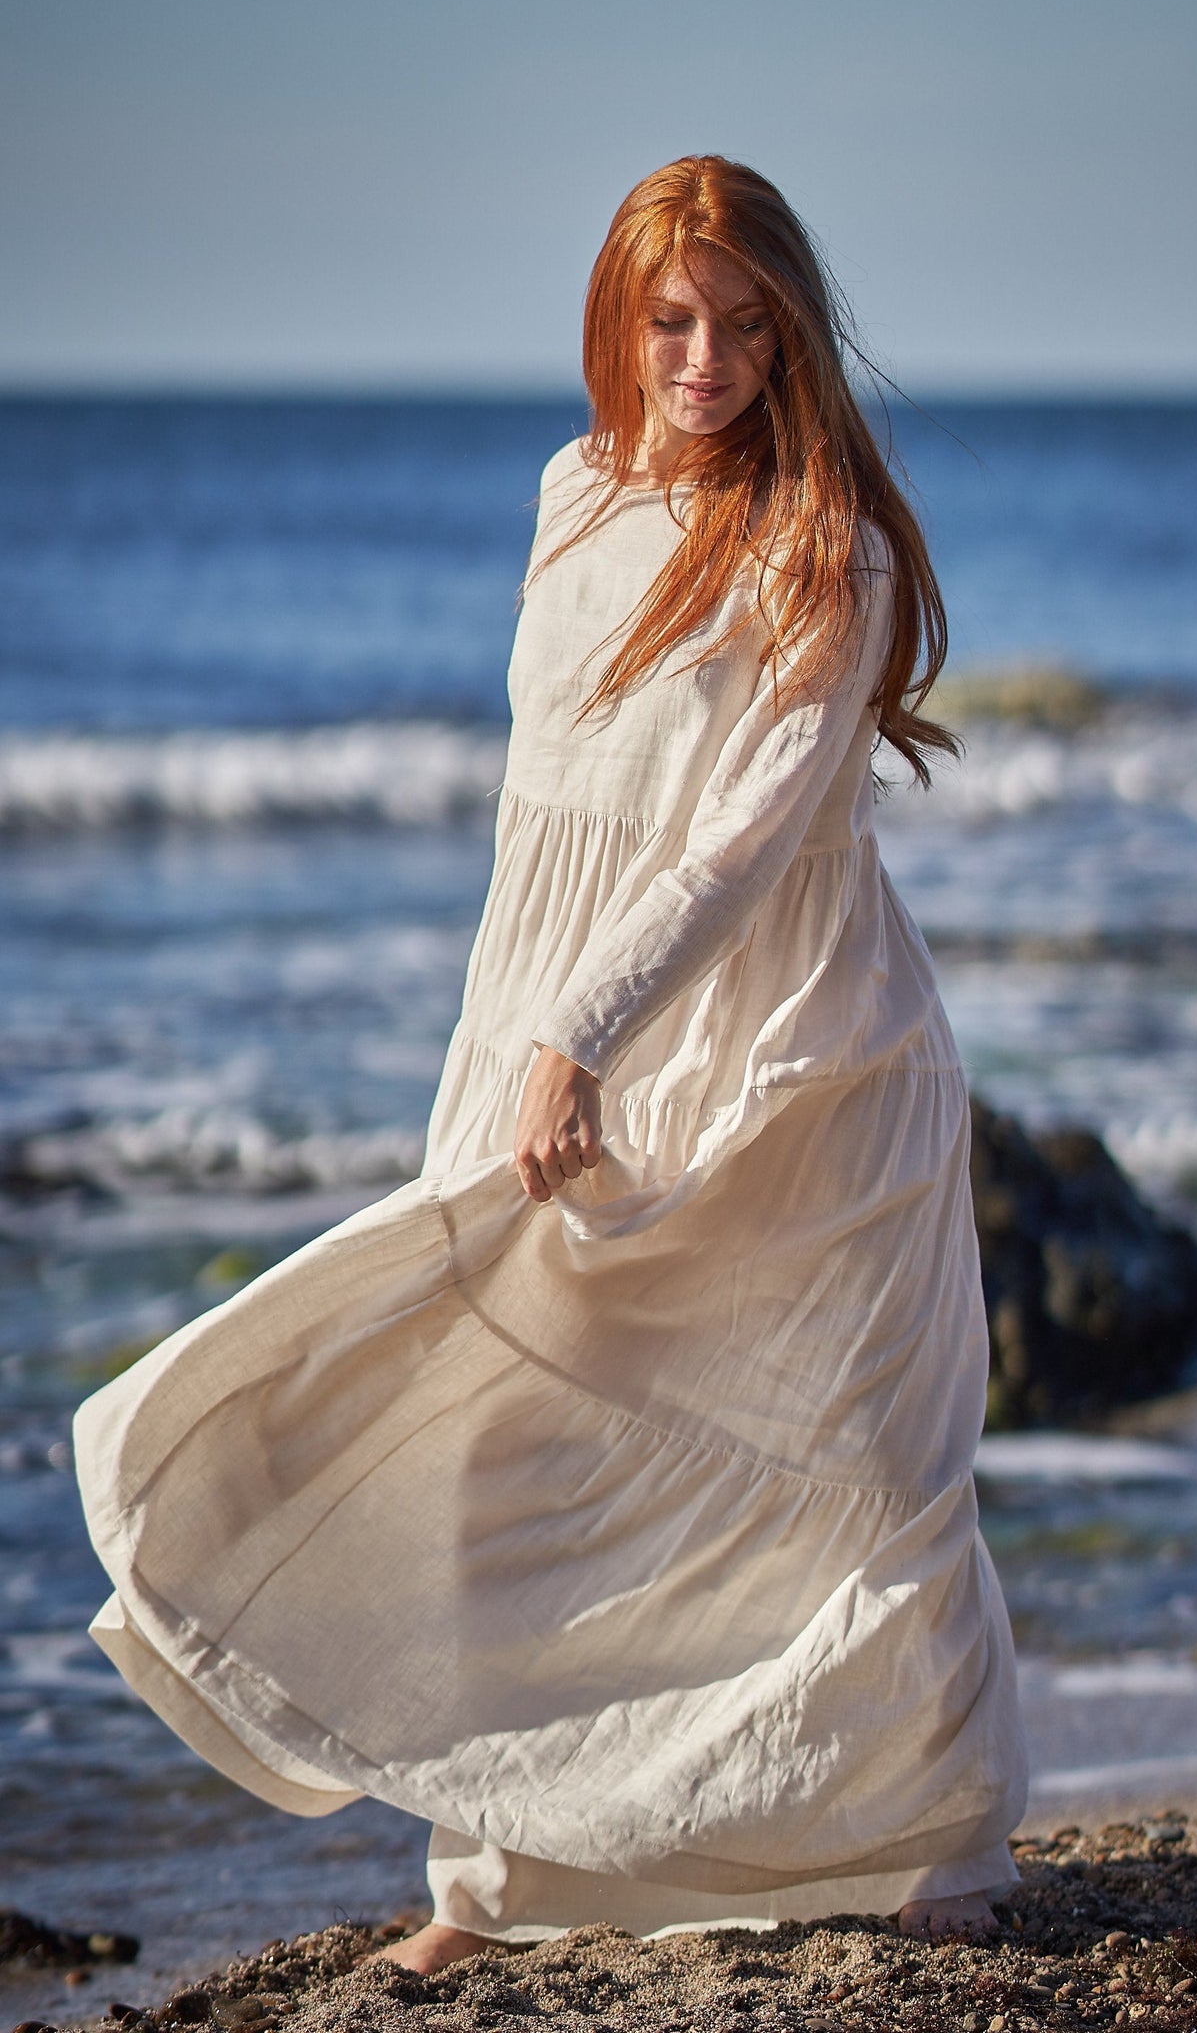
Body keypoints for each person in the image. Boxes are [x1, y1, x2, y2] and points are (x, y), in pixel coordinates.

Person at [73, 156, 1026, 1961]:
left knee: (873, 1464)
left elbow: (737, 850)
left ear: (792, 333)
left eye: (746, 326)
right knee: (502, 1443)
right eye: (672, 321)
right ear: (617, 319)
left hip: (798, 1055)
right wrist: (529, 1033)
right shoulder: (569, 499)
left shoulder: (839, 546)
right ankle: (493, 1884)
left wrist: (583, 1032)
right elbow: (547, 819)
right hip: (549, 1025)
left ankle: (941, 1850)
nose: (706, 360)